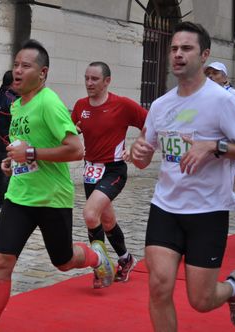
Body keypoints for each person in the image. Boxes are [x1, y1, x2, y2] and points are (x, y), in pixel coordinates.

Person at [130, 22, 235, 330]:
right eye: (174, 49)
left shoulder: (223, 101)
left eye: (186, 48)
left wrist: (213, 146)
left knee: (201, 300)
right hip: (165, 206)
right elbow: (147, 153)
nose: (178, 54)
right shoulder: (162, 105)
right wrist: (139, 153)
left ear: (203, 55)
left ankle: (234, 287)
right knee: (158, 285)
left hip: (208, 210)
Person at [0, 39, 115, 332]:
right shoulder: (16, 106)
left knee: (63, 261)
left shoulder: (49, 103)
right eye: (15, 64)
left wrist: (32, 154)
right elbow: (26, 148)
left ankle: (95, 255)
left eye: (25, 66)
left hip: (52, 198)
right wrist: (13, 162)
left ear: (42, 73)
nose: (17, 71)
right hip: (19, 197)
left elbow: (76, 149)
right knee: (2, 262)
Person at [71, 61, 147, 287]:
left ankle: (100, 267)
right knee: (106, 220)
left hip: (113, 170)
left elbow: (150, 123)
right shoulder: (80, 105)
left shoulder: (121, 105)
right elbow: (72, 129)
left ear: (107, 81)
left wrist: (136, 147)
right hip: (91, 170)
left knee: (89, 214)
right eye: (86, 78)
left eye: (94, 79)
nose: (89, 83)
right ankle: (125, 259)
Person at [204, 61, 235, 226]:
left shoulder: (234, 95)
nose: (211, 77)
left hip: (227, 152)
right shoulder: (203, 96)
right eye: (208, 73)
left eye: (216, 73)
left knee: (225, 193)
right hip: (207, 152)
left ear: (225, 77)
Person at [0, 70, 18, 212]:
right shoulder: (12, 100)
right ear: (12, 83)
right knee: (5, 171)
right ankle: (2, 202)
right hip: (6, 140)